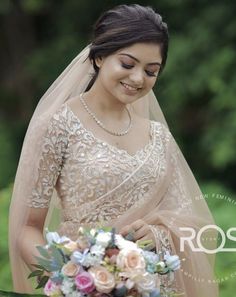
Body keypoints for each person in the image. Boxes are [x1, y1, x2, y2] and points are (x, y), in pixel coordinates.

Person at [9, 4, 219, 296]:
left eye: (151, 71)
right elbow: (27, 230)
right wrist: (74, 277)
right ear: (98, 57)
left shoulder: (159, 136)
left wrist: (159, 234)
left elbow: (190, 223)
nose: (138, 79)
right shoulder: (58, 125)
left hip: (151, 287)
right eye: (127, 64)